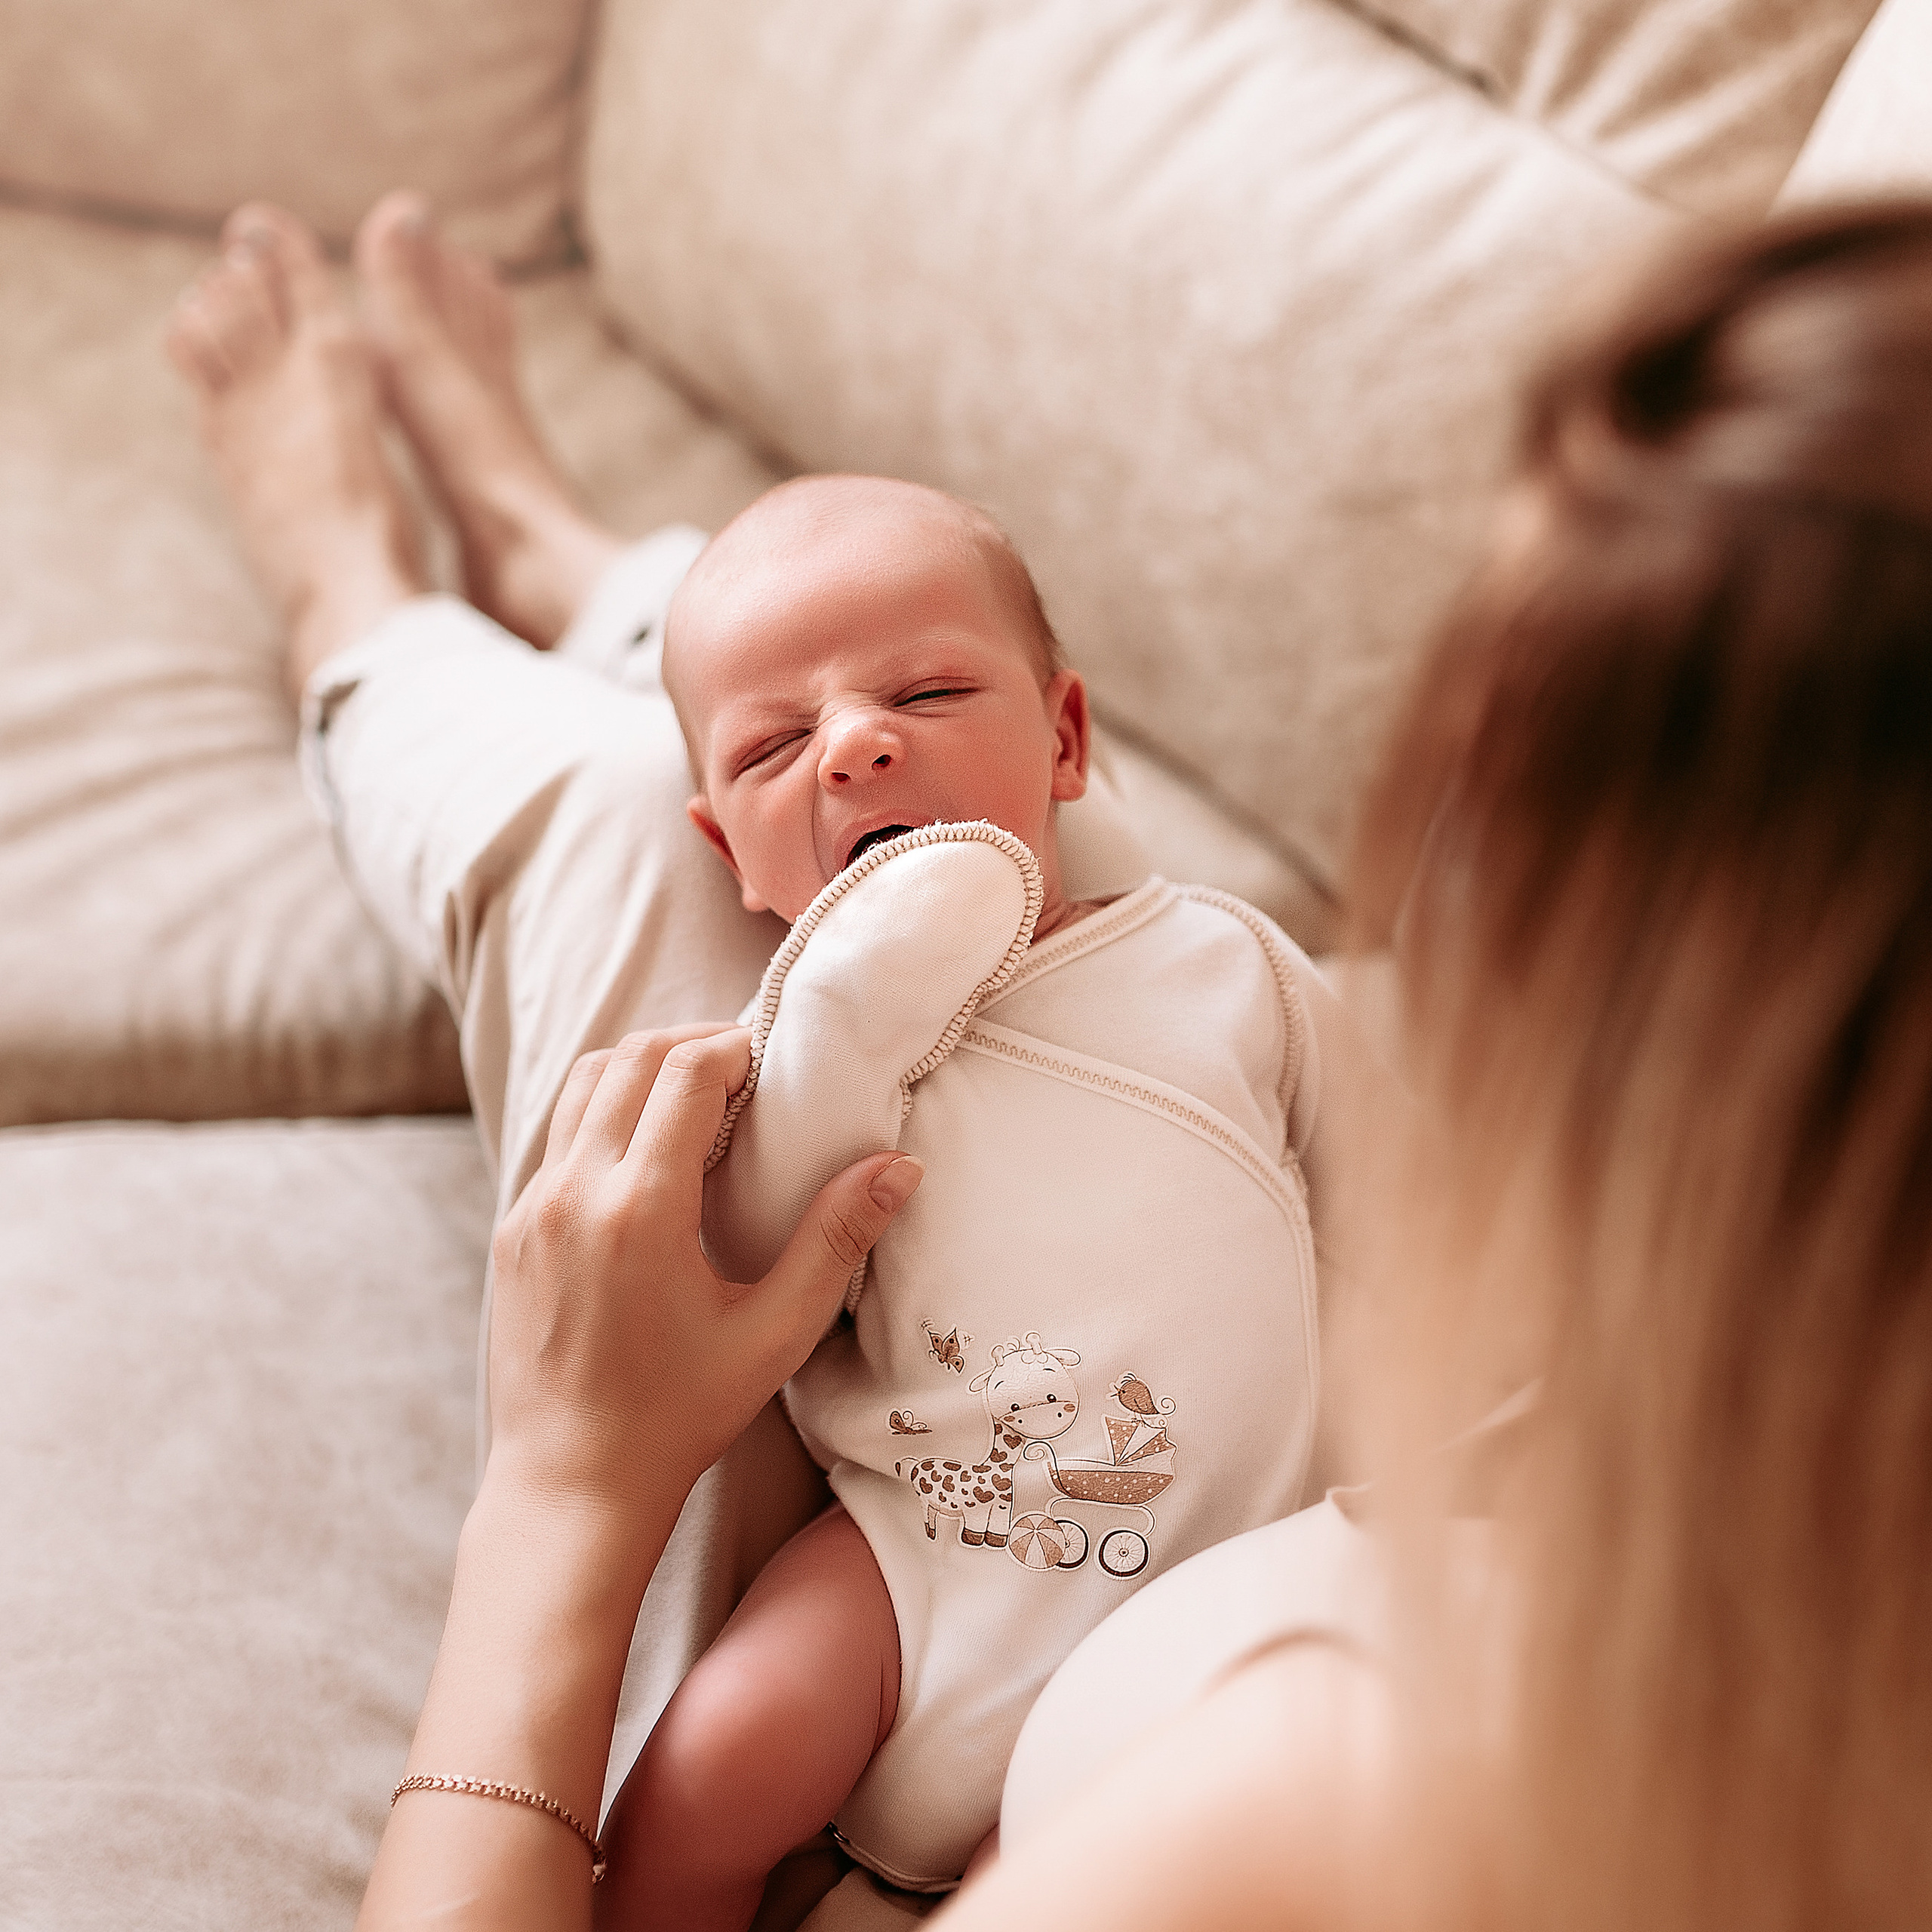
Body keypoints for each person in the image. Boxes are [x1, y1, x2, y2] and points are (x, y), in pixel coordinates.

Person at [180, 195, 1932, 1930]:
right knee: (965, 770)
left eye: (1484, 803)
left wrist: (564, 1482)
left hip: (952, 1566)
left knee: (627, 814)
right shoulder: (1716, 1449)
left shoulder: (1332, 1789)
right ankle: (579, 565)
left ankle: (360, 613)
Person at [611, 472, 1326, 1912]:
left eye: (928, 694)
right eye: (775, 748)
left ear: (1065, 740)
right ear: (728, 853)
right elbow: (748, 1266)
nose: (857, 745)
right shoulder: (800, 1048)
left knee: (1091, 1864)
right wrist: (844, 1015)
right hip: (928, 1543)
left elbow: (1416, 1193)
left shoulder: (1219, 963)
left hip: (1221, 1567)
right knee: (698, 1775)